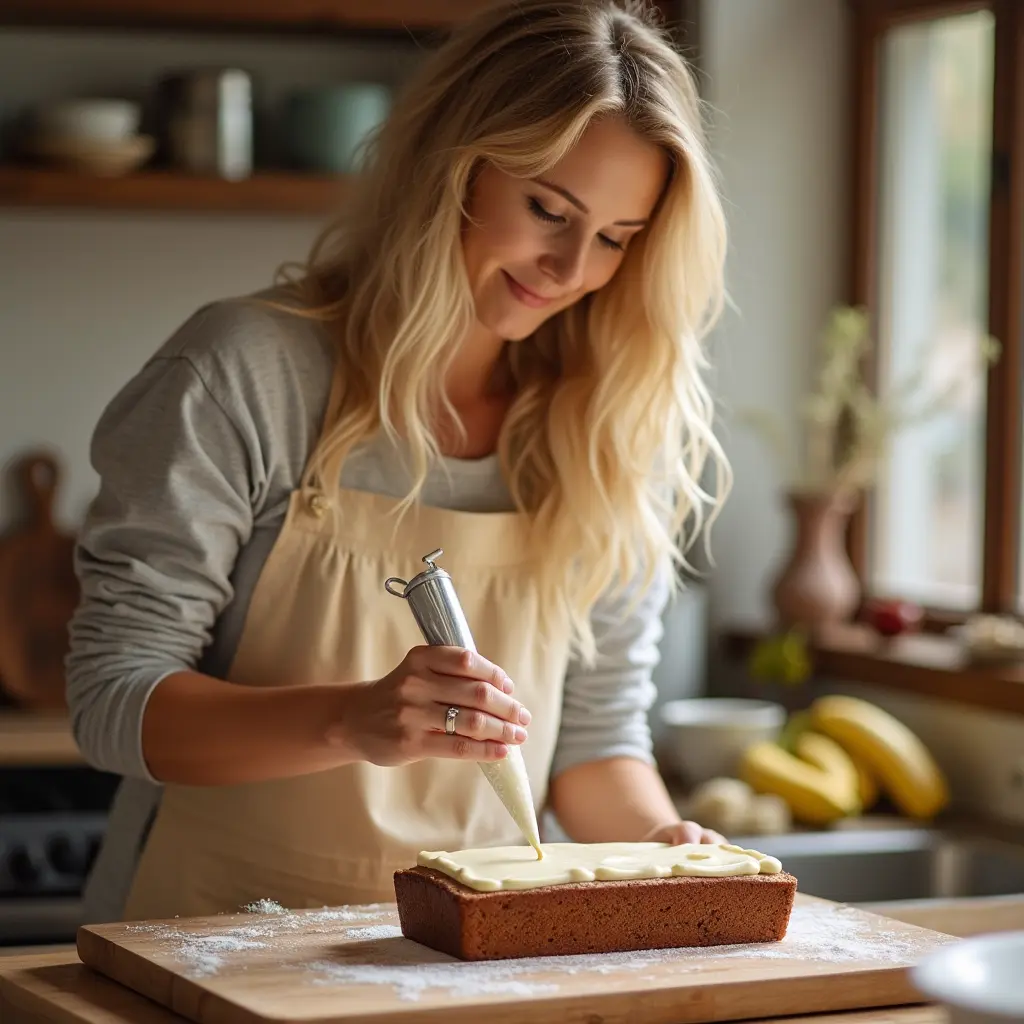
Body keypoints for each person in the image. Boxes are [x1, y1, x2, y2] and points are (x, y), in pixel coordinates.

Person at [66, 0, 732, 924]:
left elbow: (593, 743)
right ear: (453, 168)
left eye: (619, 238)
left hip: (468, 963)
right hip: (205, 942)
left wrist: (662, 844)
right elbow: (113, 701)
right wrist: (350, 719)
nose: (573, 266)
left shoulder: (611, 426)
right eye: (549, 209)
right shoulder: (244, 374)